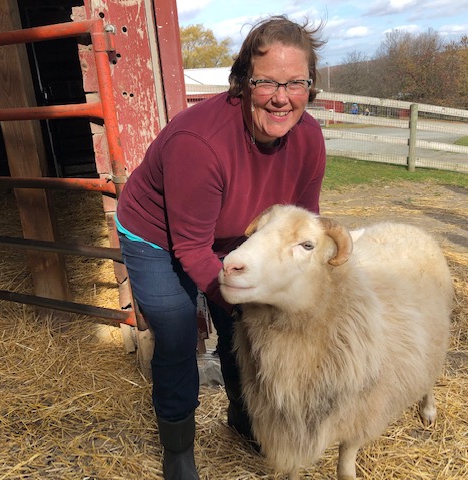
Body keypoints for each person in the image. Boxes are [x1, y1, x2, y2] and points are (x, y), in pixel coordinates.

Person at [114, 15, 326, 479]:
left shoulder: (309, 138)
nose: (281, 97)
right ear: (244, 82)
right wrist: (232, 299)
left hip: (233, 235)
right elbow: (191, 247)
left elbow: (298, 222)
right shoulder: (201, 142)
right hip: (159, 237)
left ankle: (242, 415)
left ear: (311, 85)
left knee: (242, 327)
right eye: (266, 82)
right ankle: (179, 447)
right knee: (176, 334)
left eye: (296, 83)